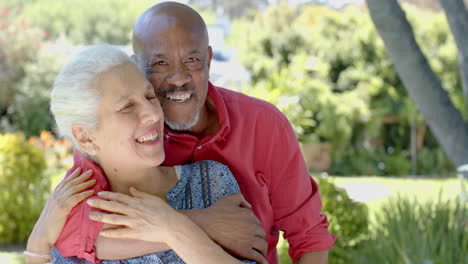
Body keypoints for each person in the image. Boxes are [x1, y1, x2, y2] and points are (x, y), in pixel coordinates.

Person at [81, 2, 335, 264]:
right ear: (138, 66)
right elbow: (78, 235)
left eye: (192, 60)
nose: (178, 78)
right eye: (160, 63)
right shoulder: (114, 138)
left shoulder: (265, 125)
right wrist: (200, 222)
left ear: (209, 60)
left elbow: (308, 235)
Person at [25, 43, 259, 264]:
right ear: (86, 138)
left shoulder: (210, 180)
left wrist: (173, 227)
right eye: (127, 107)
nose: (154, 114)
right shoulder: (71, 211)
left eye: (149, 97)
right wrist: (181, 225)